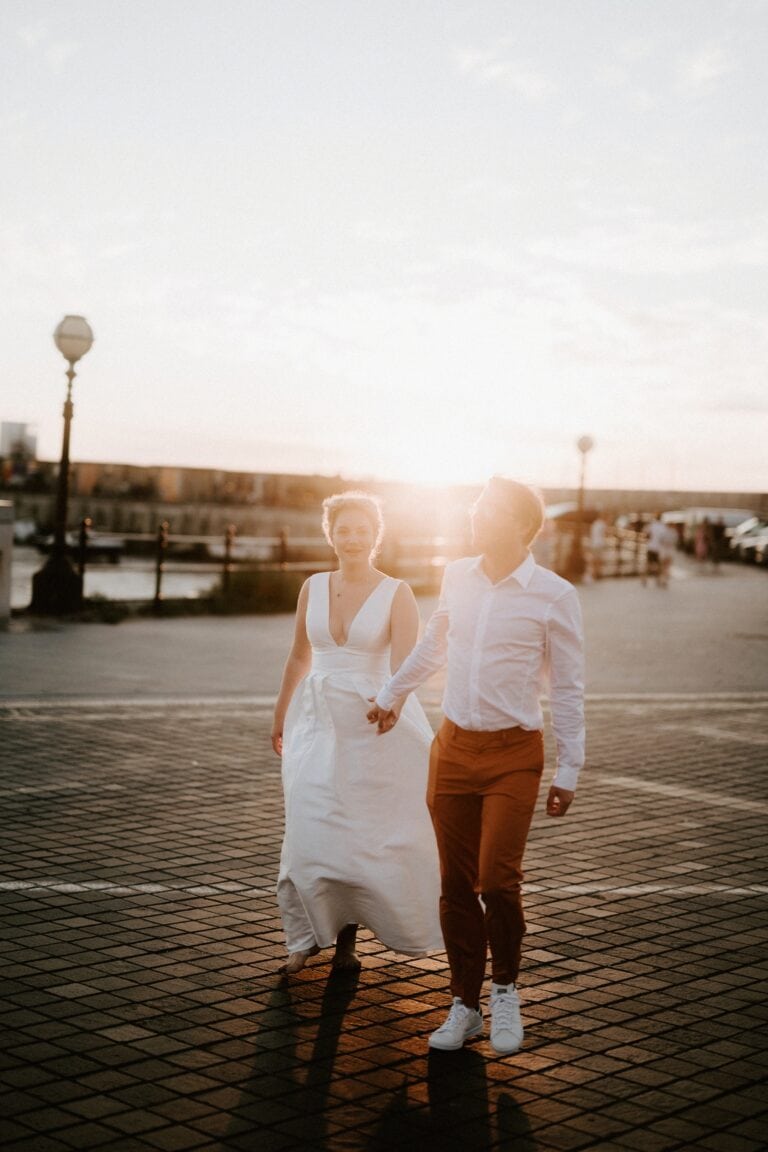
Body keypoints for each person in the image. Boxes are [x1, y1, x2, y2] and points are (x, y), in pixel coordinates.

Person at [367, 477, 585, 1056]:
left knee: (498, 880)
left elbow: (567, 687)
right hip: (454, 749)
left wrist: (570, 767)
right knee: (455, 883)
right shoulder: (457, 575)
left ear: (521, 524)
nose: (474, 515)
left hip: (514, 755)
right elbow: (434, 644)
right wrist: (391, 694)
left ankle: (506, 991)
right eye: (475, 506)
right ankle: (465, 1004)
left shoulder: (554, 595)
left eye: (488, 509)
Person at [272, 491, 442, 976]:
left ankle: (346, 942)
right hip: (316, 724)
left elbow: (407, 666)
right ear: (331, 534)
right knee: (310, 825)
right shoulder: (312, 586)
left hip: (373, 724)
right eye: (343, 530)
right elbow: (299, 656)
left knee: (360, 835)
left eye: (362, 530)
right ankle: (304, 937)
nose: (352, 538)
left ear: (375, 535)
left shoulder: (397, 592)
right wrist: (280, 712)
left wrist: (395, 704)